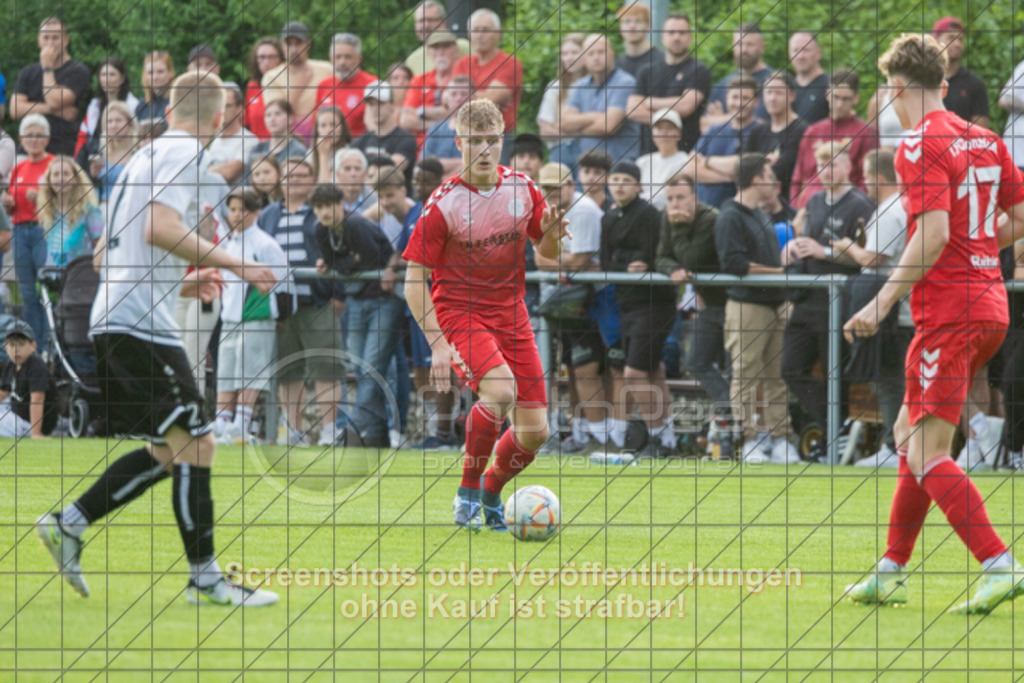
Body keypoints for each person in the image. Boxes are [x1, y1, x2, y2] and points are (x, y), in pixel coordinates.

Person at [36, 70, 279, 607]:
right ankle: (205, 580)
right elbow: (160, 230)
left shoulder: (140, 159)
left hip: (120, 314)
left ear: (168, 110)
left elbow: (110, 253)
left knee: (171, 449)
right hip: (139, 323)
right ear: (219, 120)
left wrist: (182, 280)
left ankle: (69, 523)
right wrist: (238, 263)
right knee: (198, 444)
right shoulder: (187, 155)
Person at [843, 33, 1024, 614]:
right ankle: (890, 569)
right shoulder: (988, 139)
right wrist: (979, 248)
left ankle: (999, 563)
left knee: (927, 453)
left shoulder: (919, 144)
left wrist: (879, 302)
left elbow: (934, 235)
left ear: (897, 89)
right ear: (941, 86)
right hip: (990, 305)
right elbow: (1018, 217)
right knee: (907, 436)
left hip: (948, 312)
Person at [402, 98, 567, 530]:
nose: (484, 150)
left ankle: (492, 492)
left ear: (502, 142)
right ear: (459, 143)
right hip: (460, 312)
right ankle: (467, 495)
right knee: (500, 391)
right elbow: (413, 281)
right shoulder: (443, 204)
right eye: (474, 141)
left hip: (511, 313)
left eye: (492, 141)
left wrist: (550, 238)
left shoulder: (523, 189)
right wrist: (438, 345)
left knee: (535, 432)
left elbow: (547, 256)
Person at [781, 141, 873, 459]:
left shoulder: (860, 205)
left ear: (849, 166)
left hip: (838, 301)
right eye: (821, 165)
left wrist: (827, 252)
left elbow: (867, 258)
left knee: (837, 374)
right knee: (790, 367)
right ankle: (838, 427)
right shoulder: (815, 200)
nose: (826, 170)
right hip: (808, 298)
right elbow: (807, 241)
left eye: (833, 164)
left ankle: (836, 439)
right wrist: (794, 248)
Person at [715, 153, 796, 464]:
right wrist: (780, 274)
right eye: (767, 174)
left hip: (774, 304)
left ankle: (780, 438)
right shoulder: (730, 215)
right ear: (754, 179)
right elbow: (733, 264)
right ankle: (748, 438)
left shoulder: (760, 214)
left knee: (777, 376)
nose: (773, 181)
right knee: (746, 374)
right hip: (747, 306)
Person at [832, 148, 910, 469]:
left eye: (866, 178)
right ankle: (898, 447)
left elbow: (873, 259)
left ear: (879, 179)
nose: (864, 185)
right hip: (901, 309)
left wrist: (847, 245)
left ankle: (895, 449)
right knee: (893, 379)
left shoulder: (891, 210)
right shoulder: (903, 206)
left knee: (889, 378)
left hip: (895, 312)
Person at [258, 157, 344, 447]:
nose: (294, 180)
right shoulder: (267, 215)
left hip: (317, 301)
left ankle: (330, 431)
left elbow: (340, 250)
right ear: (280, 181)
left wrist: (337, 293)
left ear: (311, 181)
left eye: (302, 175)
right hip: (280, 306)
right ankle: (293, 432)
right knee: (287, 371)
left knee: (326, 367)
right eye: (289, 175)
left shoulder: (320, 212)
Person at [312, 181, 404, 448]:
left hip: (384, 299)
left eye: (328, 205)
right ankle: (376, 434)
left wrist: (344, 263)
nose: (324, 212)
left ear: (340, 203)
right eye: (318, 207)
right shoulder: (321, 230)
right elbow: (343, 264)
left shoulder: (356, 225)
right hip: (356, 299)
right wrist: (347, 261)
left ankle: (354, 427)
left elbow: (375, 259)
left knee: (373, 366)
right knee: (360, 367)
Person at [600, 160, 677, 458]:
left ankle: (657, 437)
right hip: (628, 304)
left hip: (655, 303)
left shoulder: (649, 215)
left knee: (633, 373)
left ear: (638, 185)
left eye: (626, 180)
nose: (619, 185)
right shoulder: (608, 218)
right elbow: (609, 262)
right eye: (615, 179)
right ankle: (668, 437)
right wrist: (625, 263)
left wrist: (630, 261)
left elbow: (650, 256)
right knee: (653, 370)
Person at [535, 162, 609, 453]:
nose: (551, 194)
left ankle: (604, 439)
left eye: (557, 187)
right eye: (547, 188)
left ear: (571, 185)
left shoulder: (585, 210)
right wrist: (567, 262)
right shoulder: (545, 211)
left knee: (589, 368)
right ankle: (582, 435)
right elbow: (542, 261)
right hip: (568, 299)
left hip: (593, 299)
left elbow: (579, 264)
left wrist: (563, 262)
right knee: (573, 368)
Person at [213, 187, 293, 445]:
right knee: (226, 368)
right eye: (233, 209)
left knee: (250, 370)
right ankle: (221, 421)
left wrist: (277, 313)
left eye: (243, 210)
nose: (236, 215)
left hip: (256, 316)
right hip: (230, 317)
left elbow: (283, 283)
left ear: (256, 212)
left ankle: (241, 424)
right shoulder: (228, 243)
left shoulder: (265, 244)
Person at [655, 174, 728, 436]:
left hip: (732, 302)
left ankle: (737, 418)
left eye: (680, 198)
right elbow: (661, 257)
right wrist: (673, 268)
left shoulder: (711, 217)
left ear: (694, 199)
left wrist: (679, 230)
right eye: (670, 199)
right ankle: (729, 409)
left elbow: (692, 258)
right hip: (709, 304)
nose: (674, 204)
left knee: (734, 366)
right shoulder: (668, 217)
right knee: (695, 361)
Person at [790, 69, 879, 208]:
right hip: (808, 207)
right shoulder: (813, 131)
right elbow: (798, 176)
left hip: (844, 206)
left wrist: (852, 207)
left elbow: (867, 179)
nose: (839, 104)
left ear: (856, 98)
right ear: (827, 95)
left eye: (845, 99)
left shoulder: (866, 133)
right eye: (835, 97)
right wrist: (794, 208)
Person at [1, 115, 54, 344]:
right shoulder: (17, 169)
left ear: (47, 138)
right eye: (29, 135)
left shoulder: (54, 164)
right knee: (27, 292)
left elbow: (66, 199)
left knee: (46, 288)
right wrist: (7, 203)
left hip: (44, 230)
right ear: (21, 139)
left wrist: (42, 197)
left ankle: (50, 343)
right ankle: (34, 344)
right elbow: (11, 209)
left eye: (38, 135)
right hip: (20, 231)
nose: (33, 140)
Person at [627, 13, 711, 156]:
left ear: (690, 37)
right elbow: (632, 110)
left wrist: (649, 102)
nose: (676, 37)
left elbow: (686, 106)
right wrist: (671, 118)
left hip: (685, 155)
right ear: (663, 37)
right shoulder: (646, 71)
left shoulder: (699, 70)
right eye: (671, 32)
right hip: (648, 156)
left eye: (682, 32)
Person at [11, 17, 91, 156]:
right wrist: (53, 111)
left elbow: (54, 100)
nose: (50, 43)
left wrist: (47, 68)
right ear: (38, 40)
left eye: (55, 38)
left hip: (61, 151)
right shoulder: (28, 72)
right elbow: (15, 110)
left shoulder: (78, 71)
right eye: (45, 38)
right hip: (28, 151)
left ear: (66, 40)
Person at [561, 34, 642, 164]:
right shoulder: (580, 86)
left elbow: (608, 126)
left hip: (618, 167)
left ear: (612, 54)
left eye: (601, 52)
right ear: (584, 59)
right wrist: (595, 117)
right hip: (588, 167)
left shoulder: (625, 82)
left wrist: (578, 128)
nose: (596, 57)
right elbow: (564, 123)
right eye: (591, 54)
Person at [692, 74, 761, 208]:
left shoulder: (760, 132)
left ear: (756, 101)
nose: (739, 103)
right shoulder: (713, 132)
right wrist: (729, 178)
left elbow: (747, 170)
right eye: (735, 97)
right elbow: (690, 168)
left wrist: (707, 162)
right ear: (726, 99)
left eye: (745, 98)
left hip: (738, 214)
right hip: (705, 213)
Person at [451, 10, 523, 136]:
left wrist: (462, 97)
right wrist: (482, 96)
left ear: (498, 33)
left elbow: (491, 100)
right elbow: (447, 98)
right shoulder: (461, 64)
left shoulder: (510, 64)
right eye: (475, 30)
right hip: (465, 133)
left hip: (499, 135)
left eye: (485, 30)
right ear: (469, 34)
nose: (479, 35)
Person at [261, 21, 333, 146]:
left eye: (298, 43)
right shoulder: (271, 77)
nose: (293, 49)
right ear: (282, 45)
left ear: (308, 44)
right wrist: (300, 85)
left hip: (325, 137)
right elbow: (278, 116)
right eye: (288, 44)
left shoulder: (328, 69)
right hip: (290, 142)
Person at [748, 71, 808, 200]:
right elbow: (743, 171)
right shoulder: (757, 133)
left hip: (787, 204)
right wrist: (765, 161)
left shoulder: (802, 131)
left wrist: (756, 164)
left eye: (779, 93)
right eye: (769, 92)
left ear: (792, 96)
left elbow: (782, 171)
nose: (772, 98)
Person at [35, 155, 103, 267]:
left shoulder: (89, 210)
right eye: (55, 174)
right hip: (53, 277)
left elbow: (101, 245)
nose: (61, 178)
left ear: (76, 179)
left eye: (66, 174)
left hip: (80, 276)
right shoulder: (48, 211)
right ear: (49, 180)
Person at [702, 23, 772, 130]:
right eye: (739, 44)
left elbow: (766, 124)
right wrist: (742, 116)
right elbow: (704, 126)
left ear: (762, 47)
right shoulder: (722, 85)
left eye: (750, 45)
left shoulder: (774, 83)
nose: (744, 50)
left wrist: (722, 119)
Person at [402, 30, 462, 153]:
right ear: (429, 53)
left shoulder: (462, 80)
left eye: (446, 47)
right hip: (419, 148)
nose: (441, 52)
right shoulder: (419, 80)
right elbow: (405, 120)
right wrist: (442, 123)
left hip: (454, 145)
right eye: (435, 48)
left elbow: (462, 113)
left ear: (456, 51)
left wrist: (423, 111)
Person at [536, 33, 587, 167]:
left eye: (574, 52)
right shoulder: (555, 87)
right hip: (560, 152)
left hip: (587, 151)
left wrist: (560, 127)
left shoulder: (596, 85)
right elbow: (545, 131)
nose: (569, 58)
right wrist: (578, 130)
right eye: (565, 53)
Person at [0, 320, 57, 439]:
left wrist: (35, 434)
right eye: (11, 345)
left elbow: (38, 399)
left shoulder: (36, 366)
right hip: (15, 415)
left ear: (33, 345)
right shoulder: (11, 365)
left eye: (21, 344)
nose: (16, 349)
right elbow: (3, 393)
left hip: (29, 424)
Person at [315, 33, 377, 139]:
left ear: (359, 58)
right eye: (338, 57)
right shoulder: (324, 85)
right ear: (331, 58)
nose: (342, 62)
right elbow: (315, 124)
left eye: (348, 57)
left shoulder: (372, 85)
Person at [75, 57, 139, 159]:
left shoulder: (134, 106)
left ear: (122, 78)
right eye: (103, 75)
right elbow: (82, 138)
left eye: (112, 74)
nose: (107, 79)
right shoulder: (94, 107)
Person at [352, 81, 418, 177]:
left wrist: (364, 166)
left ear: (392, 105)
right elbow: (345, 161)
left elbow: (392, 169)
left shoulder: (406, 138)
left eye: (380, 103)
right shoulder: (362, 140)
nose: (375, 108)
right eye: (371, 104)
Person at [933, 17, 989, 129]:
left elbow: (981, 133)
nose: (957, 44)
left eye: (960, 39)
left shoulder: (974, 84)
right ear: (935, 40)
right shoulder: (921, 80)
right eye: (951, 38)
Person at [635, 108, 691, 210]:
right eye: (659, 128)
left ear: (679, 134)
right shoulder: (642, 162)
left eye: (670, 128)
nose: (664, 133)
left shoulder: (686, 162)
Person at [207, 82, 259, 187]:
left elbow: (229, 173)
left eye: (227, 106)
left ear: (239, 108)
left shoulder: (249, 140)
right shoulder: (213, 138)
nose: (221, 111)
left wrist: (203, 171)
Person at [244, 99, 308, 181]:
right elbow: (246, 182)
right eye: (268, 115)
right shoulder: (256, 149)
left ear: (290, 118)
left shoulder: (297, 150)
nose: (272, 119)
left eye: (278, 114)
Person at [88, 101, 139, 202]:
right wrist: (92, 176)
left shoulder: (139, 153)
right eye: (109, 121)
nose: (113, 125)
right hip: (103, 209)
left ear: (130, 123)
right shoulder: (99, 152)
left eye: (118, 120)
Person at [422, 76, 473, 174]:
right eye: (453, 94)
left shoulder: (483, 129)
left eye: (464, 94)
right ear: (446, 98)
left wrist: (438, 164)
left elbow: (480, 164)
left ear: (473, 98)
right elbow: (425, 164)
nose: (459, 98)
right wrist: (464, 163)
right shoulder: (435, 129)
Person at [405, 1, 470, 76]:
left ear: (443, 22)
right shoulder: (412, 60)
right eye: (421, 21)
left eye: (431, 20)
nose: (426, 25)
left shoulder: (464, 47)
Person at [244, 37, 285, 141]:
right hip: (257, 150)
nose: (266, 62)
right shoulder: (252, 87)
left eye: (271, 57)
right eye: (262, 57)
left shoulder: (287, 84)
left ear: (281, 59)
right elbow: (247, 123)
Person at [787, 31, 829, 125]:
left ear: (819, 53)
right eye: (795, 50)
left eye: (805, 50)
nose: (800, 56)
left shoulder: (830, 86)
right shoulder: (786, 89)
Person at [615, 2, 663, 77]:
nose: (632, 26)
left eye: (638, 21)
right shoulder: (616, 66)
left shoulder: (662, 61)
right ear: (620, 27)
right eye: (627, 21)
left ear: (648, 26)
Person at [136, 51, 174, 123]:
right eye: (151, 73)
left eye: (160, 72)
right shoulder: (141, 106)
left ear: (170, 72)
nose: (155, 77)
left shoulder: (177, 102)